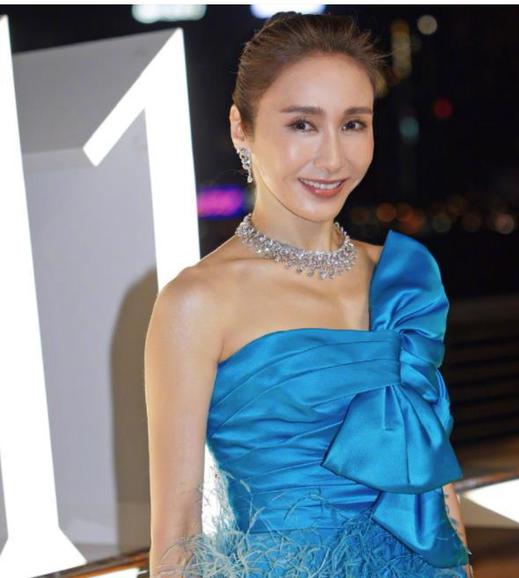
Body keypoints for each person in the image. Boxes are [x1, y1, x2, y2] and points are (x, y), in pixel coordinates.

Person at [145, 10, 475, 578]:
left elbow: (434, 486)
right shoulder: (197, 301)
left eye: (353, 124)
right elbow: (176, 536)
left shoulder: (404, 279)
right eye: (303, 124)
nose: (333, 158)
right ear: (241, 129)